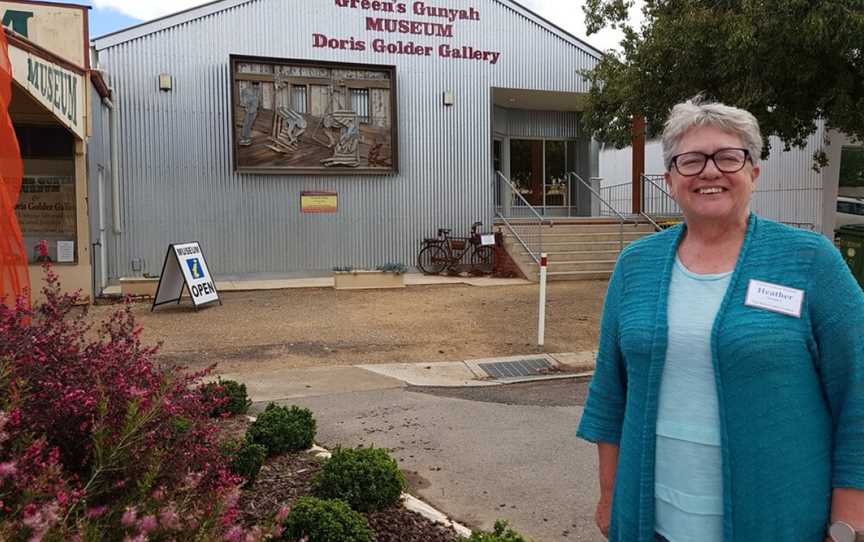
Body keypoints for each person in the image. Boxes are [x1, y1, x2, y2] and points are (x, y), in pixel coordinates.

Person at [577, 98, 864, 542]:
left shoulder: (810, 261)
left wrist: (848, 523)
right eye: (690, 160)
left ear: (753, 171)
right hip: (653, 523)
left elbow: (858, 392)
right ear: (671, 178)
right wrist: (610, 495)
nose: (709, 171)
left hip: (780, 521)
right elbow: (610, 395)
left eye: (729, 156)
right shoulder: (636, 265)